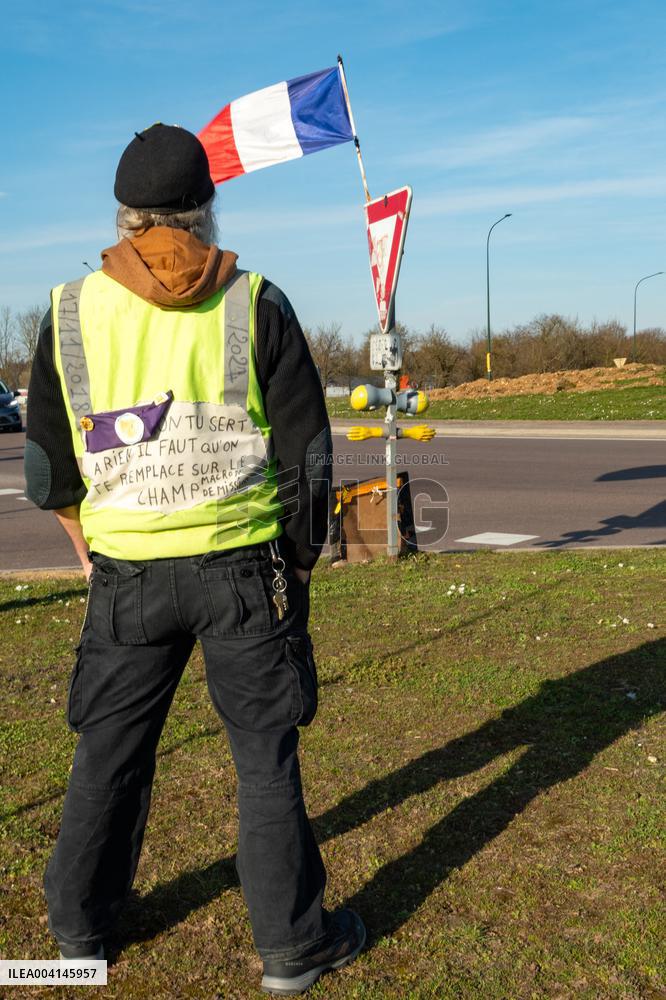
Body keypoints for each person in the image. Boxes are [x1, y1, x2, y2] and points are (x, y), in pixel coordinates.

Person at [25, 123, 365, 996]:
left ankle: (79, 937)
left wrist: (93, 552)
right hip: (243, 573)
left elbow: (49, 470)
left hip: (127, 578)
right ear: (205, 209)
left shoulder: (68, 309)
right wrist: (295, 561)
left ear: (124, 214)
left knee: (108, 755)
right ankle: (292, 949)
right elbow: (308, 458)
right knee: (263, 761)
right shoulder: (257, 301)